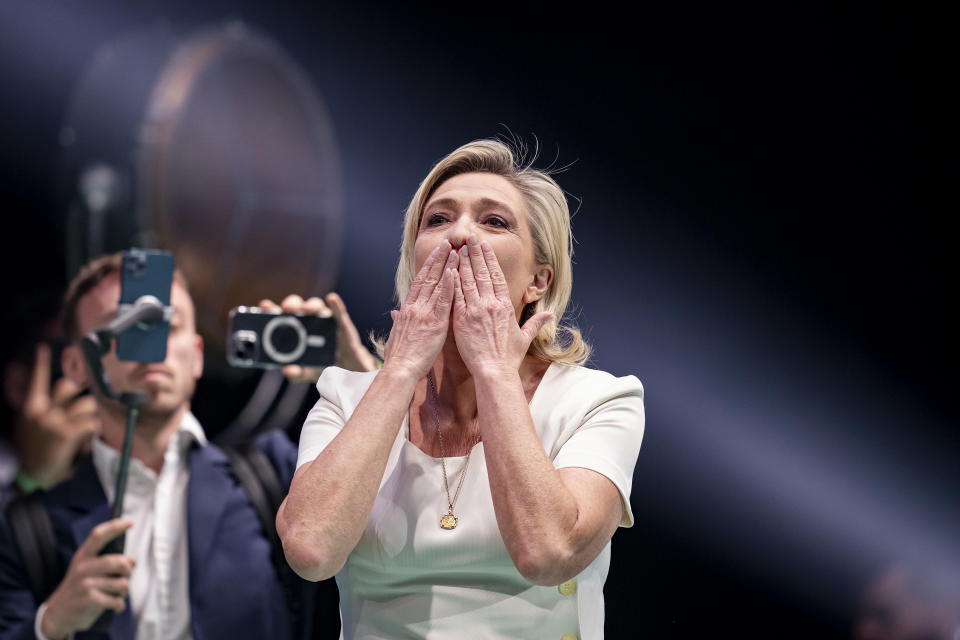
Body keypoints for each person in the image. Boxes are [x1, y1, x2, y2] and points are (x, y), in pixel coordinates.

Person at [278, 139, 646, 639]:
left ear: (538, 281)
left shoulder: (599, 400)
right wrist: (401, 368)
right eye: (438, 220)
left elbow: (548, 554)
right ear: (414, 265)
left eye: (494, 222)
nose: (460, 236)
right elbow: (310, 551)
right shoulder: (344, 395)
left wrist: (494, 370)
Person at [0, 252, 375, 640]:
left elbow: (398, 508)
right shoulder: (28, 527)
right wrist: (50, 623)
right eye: (126, 325)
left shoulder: (273, 474)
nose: (153, 342)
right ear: (77, 364)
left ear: (196, 356)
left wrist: (362, 379)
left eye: (169, 324)